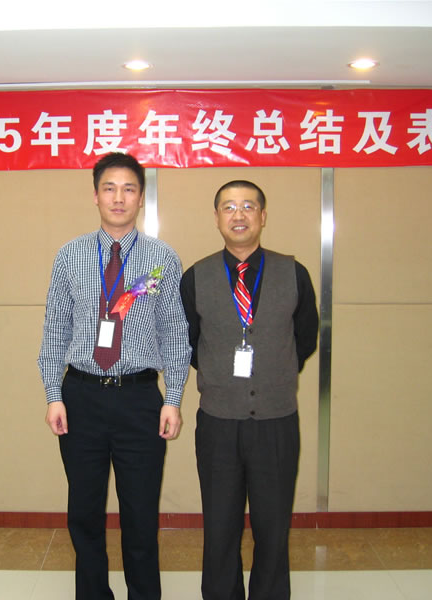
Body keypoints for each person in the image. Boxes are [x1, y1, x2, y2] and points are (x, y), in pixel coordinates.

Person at [38, 152, 191, 600]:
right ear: (96, 196)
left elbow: (174, 332)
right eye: (109, 188)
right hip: (81, 396)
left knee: (140, 514)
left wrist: (173, 398)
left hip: (139, 398)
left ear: (141, 198)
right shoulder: (70, 255)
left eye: (128, 189)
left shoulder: (162, 259)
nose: (118, 197)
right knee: (84, 513)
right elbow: (55, 329)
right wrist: (53, 394)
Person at [180, 180, 319, 600]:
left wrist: (272, 372)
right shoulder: (196, 276)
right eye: (228, 207)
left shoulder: (293, 273)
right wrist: (224, 376)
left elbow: (305, 338)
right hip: (218, 422)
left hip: (277, 421)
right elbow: (190, 343)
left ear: (262, 216)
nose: (238, 215)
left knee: (272, 525)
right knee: (220, 525)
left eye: (247, 206)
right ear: (216, 218)